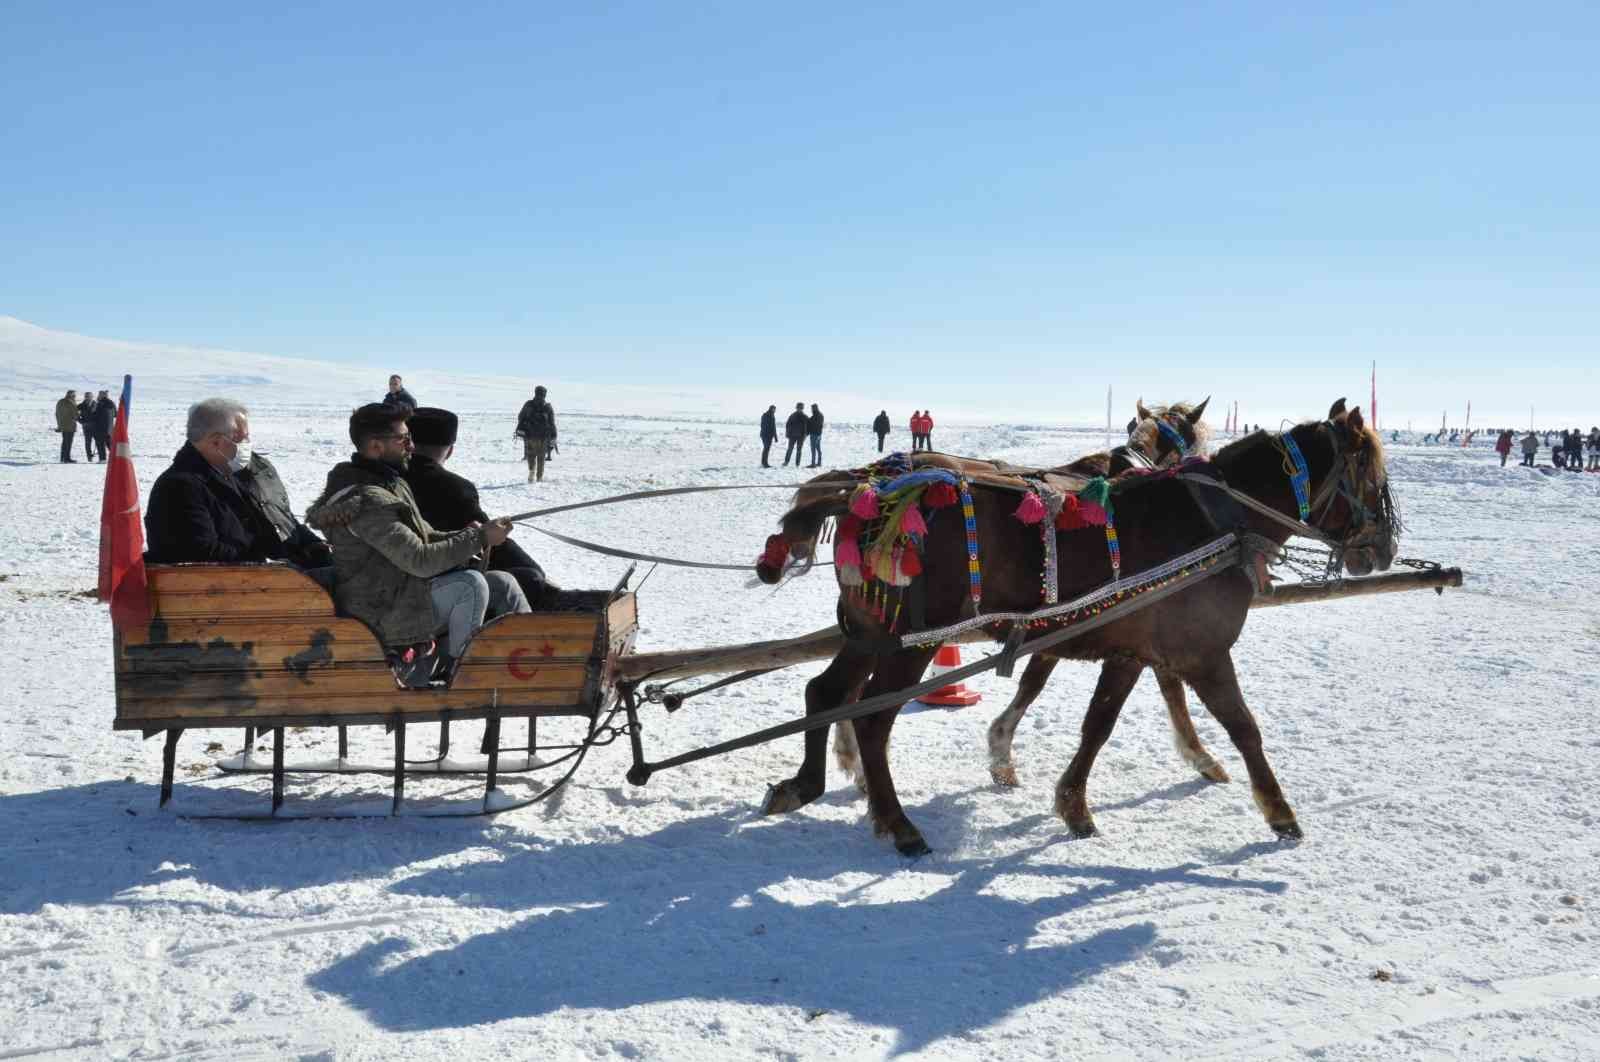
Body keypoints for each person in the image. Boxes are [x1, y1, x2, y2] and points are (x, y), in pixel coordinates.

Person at [306, 403, 526, 685]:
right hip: (383, 612)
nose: (411, 446)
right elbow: (420, 560)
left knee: (502, 583)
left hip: (401, 592)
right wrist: (480, 538)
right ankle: (464, 678)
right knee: (470, 584)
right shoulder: (367, 503)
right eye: (403, 439)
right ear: (375, 446)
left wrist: (474, 533)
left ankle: (535, 662)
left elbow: (425, 536)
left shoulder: (389, 484)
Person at [404, 407, 557, 610]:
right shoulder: (455, 488)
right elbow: (488, 539)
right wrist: (533, 570)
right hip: (436, 586)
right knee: (530, 577)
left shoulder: (388, 480)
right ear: (450, 450)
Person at [145, 398, 285, 563]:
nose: (247, 445)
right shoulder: (180, 486)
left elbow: (259, 528)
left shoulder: (228, 475)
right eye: (242, 440)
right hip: (216, 584)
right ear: (216, 442)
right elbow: (199, 550)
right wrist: (260, 562)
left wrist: (299, 551)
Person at [235, 448, 335, 572]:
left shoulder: (262, 465)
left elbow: (284, 514)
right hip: (264, 569)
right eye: (234, 433)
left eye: (245, 434)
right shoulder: (215, 475)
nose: (242, 438)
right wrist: (264, 559)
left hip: (295, 555)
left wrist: (312, 541)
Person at [515, 384, 558, 482]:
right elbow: (552, 423)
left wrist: (523, 427)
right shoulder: (548, 407)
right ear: (545, 395)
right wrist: (554, 435)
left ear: (535, 393)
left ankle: (531, 472)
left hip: (530, 435)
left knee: (531, 455)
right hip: (543, 436)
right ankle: (539, 477)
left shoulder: (528, 404)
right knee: (541, 457)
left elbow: (521, 416)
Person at [54, 390, 79, 463]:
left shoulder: (60, 402)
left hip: (62, 425)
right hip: (70, 425)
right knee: (68, 442)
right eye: (74, 395)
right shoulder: (70, 402)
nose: (75, 396)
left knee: (64, 442)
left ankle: (62, 458)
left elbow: (57, 413)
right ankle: (67, 458)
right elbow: (75, 414)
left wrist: (59, 424)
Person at [91, 389, 116, 461]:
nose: (98, 396)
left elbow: (95, 415)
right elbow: (115, 414)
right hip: (109, 428)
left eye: (99, 394)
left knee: (100, 443)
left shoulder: (100, 404)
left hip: (100, 427)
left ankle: (102, 459)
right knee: (109, 444)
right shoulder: (111, 403)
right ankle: (115, 458)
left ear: (102, 395)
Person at [782, 403, 807, 467]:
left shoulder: (805, 416)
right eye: (798, 408)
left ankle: (797, 464)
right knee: (790, 449)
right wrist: (787, 433)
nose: (799, 409)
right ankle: (786, 462)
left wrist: (805, 435)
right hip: (792, 436)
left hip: (801, 437)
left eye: (801, 408)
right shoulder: (792, 415)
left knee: (799, 450)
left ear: (802, 408)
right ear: (797, 408)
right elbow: (788, 425)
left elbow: (807, 427)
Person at [77, 390, 98, 461]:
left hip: (95, 426)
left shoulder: (96, 404)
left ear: (92, 397)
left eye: (89, 396)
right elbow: (75, 414)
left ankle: (100, 455)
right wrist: (81, 421)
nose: (88, 398)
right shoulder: (80, 405)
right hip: (86, 426)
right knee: (88, 442)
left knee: (98, 441)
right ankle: (89, 457)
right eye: (86, 396)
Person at [806, 403, 825, 468]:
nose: (811, 409)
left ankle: (813, 464)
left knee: (813, 449)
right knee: (818, 449)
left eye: (812, 408)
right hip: (819, 434)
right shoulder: (819, 415)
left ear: (815, 408)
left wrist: (808, 431)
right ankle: (819, 463)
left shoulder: (816, 415)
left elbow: (814, 424)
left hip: (815, 434)